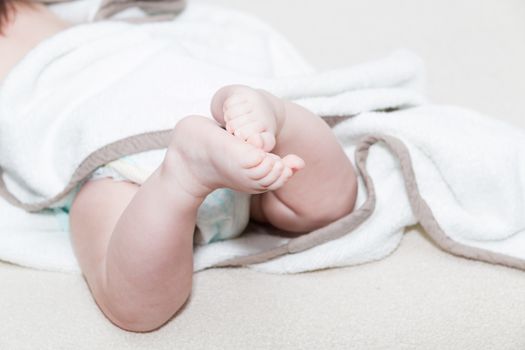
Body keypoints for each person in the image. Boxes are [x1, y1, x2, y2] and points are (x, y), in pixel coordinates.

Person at [0, 1, 358, 332]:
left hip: (108, 145)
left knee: (133, 304)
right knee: (328, 205)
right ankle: (273, 114)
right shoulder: (59, 15)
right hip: (204, 109)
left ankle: (181, 180)